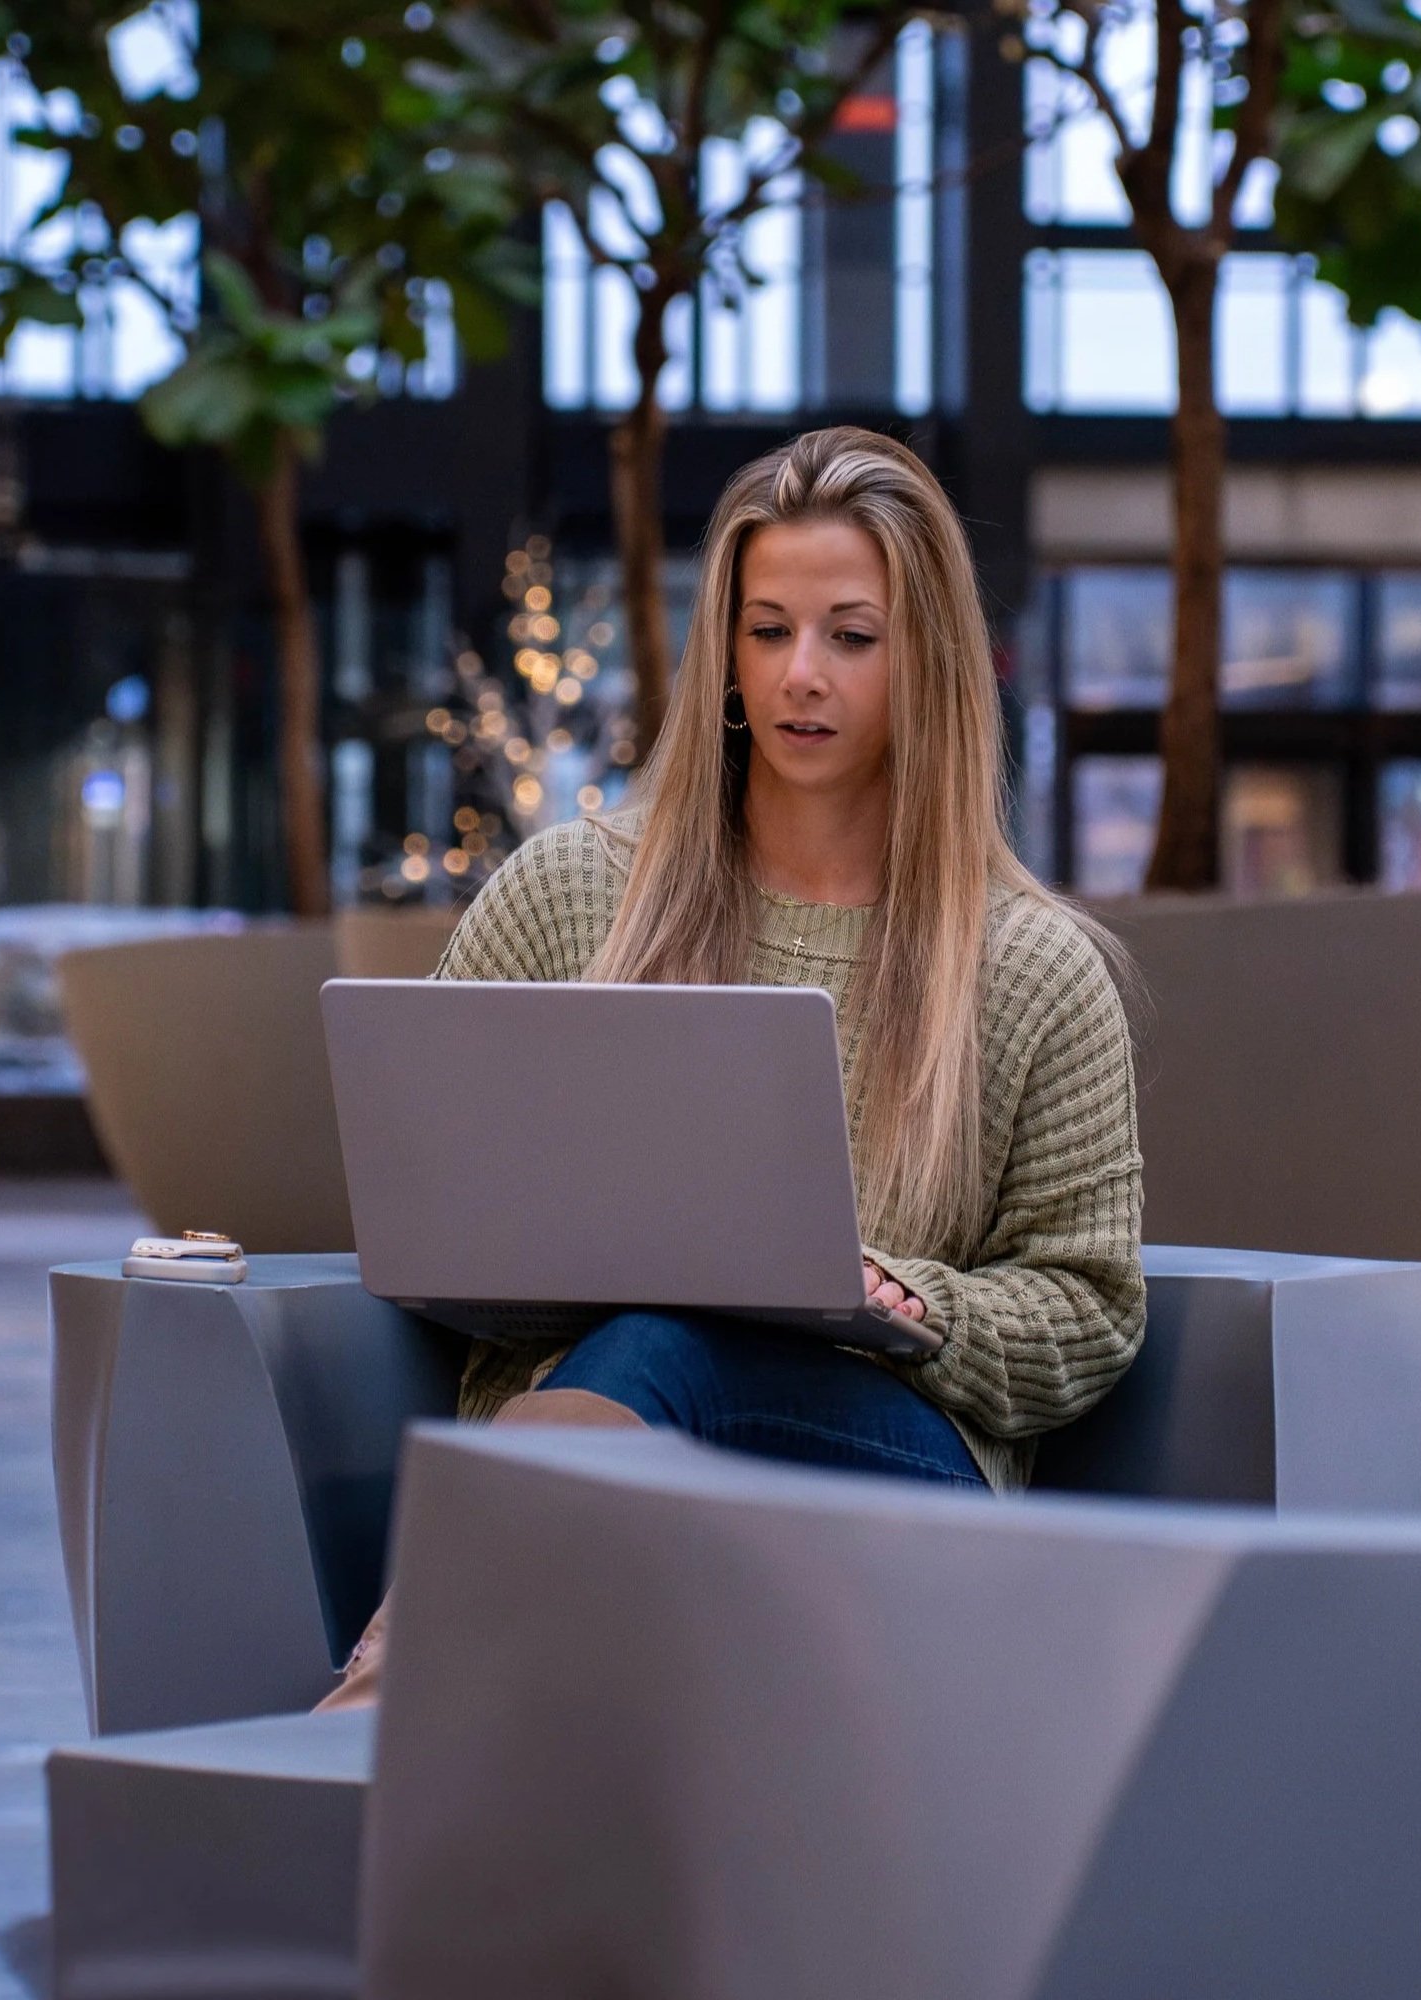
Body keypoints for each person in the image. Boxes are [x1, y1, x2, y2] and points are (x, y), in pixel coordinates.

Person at [320, 425, 1142, 1707]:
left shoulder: (1032, 966)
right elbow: (425, 1193)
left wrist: (908, 1304)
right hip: (588, 1429)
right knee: (657, 1337)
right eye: (767, 630)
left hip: (894, 1473)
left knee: (673, 1342)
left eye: (850, 636)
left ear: (923, 659)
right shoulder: (572, 892)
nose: (801, 673)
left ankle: (399, 1691)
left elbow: (1091, 1310)